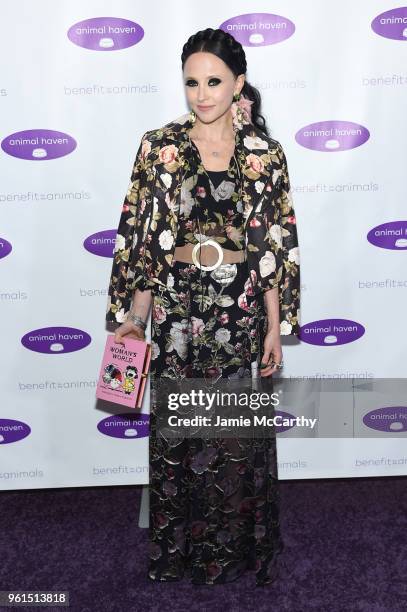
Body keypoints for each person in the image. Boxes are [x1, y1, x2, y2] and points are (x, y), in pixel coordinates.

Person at [105, 28, 300, 585]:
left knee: (233, 437)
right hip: (175, 312)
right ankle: (182, 551)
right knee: (180, 433)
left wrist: (272, 326)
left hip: (237, 311)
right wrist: (134, 321)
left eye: (214, 82)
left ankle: (237, 549)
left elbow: (270, 248)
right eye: (192, 83)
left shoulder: (265, 154)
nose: (202, 94)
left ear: (239, 84)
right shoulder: (158, 147)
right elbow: (144, 242)